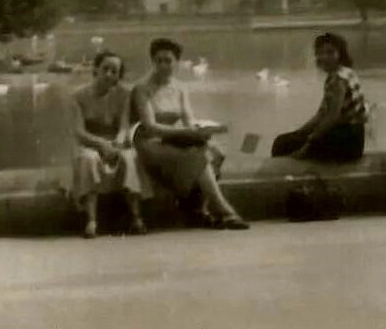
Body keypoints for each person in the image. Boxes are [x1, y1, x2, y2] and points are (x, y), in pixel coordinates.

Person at [131, 38, 249, 230]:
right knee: (199, 156)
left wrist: (205, 130)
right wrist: (186, 131)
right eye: (158, 60)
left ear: (176, 62)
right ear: (153, 61)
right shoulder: (142, 89)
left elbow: (189, 121)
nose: (163, 65)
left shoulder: (180, 88)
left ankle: (198, 208)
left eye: (168, 61)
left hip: (173, 140)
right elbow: (150, 126)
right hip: (150, 143)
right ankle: (224, 211)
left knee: (215, 151)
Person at [66, 50, 147, 238]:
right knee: (88, 159)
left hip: (114, 141)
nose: (109, 74)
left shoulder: (123, 95)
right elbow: (78, 132)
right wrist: (101, 144)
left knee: (129, 157)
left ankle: (136, 217)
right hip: (89, 142)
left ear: (119, 75)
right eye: (106, 69)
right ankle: (91, 221)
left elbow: (124, 125)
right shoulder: (78, 96)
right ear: (96, 70)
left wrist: (118, 141)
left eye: (115, 71)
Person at [271, 32, 368, 162]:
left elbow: (332, 117)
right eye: (321, 53)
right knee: (288, 139)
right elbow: (321, 114)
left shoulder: (338, 80)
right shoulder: (346, 72)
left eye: (330, 52)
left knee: (282, 144)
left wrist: (309, 143)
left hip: (346, 142)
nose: (324, 57)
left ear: (340, 54)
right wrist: (300, 132)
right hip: (355, 139)